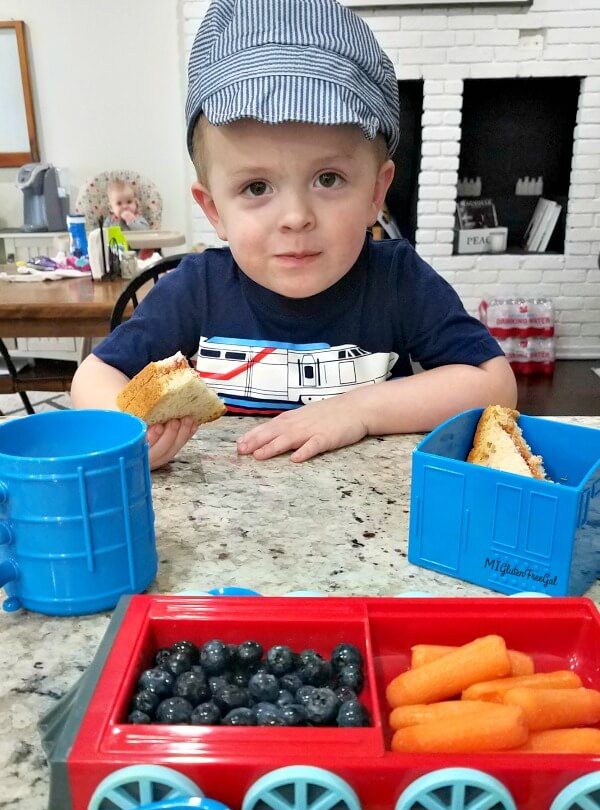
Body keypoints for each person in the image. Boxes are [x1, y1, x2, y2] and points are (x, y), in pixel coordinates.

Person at [71, 0, 516, 471]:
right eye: (256, 187)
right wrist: (133, 433)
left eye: (328, 179)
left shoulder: (398, 280)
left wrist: (358, 410)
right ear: (215, 209)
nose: (296, 217)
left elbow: (494, 384)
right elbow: (93, 376)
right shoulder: (197, 288)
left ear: (375, 193)